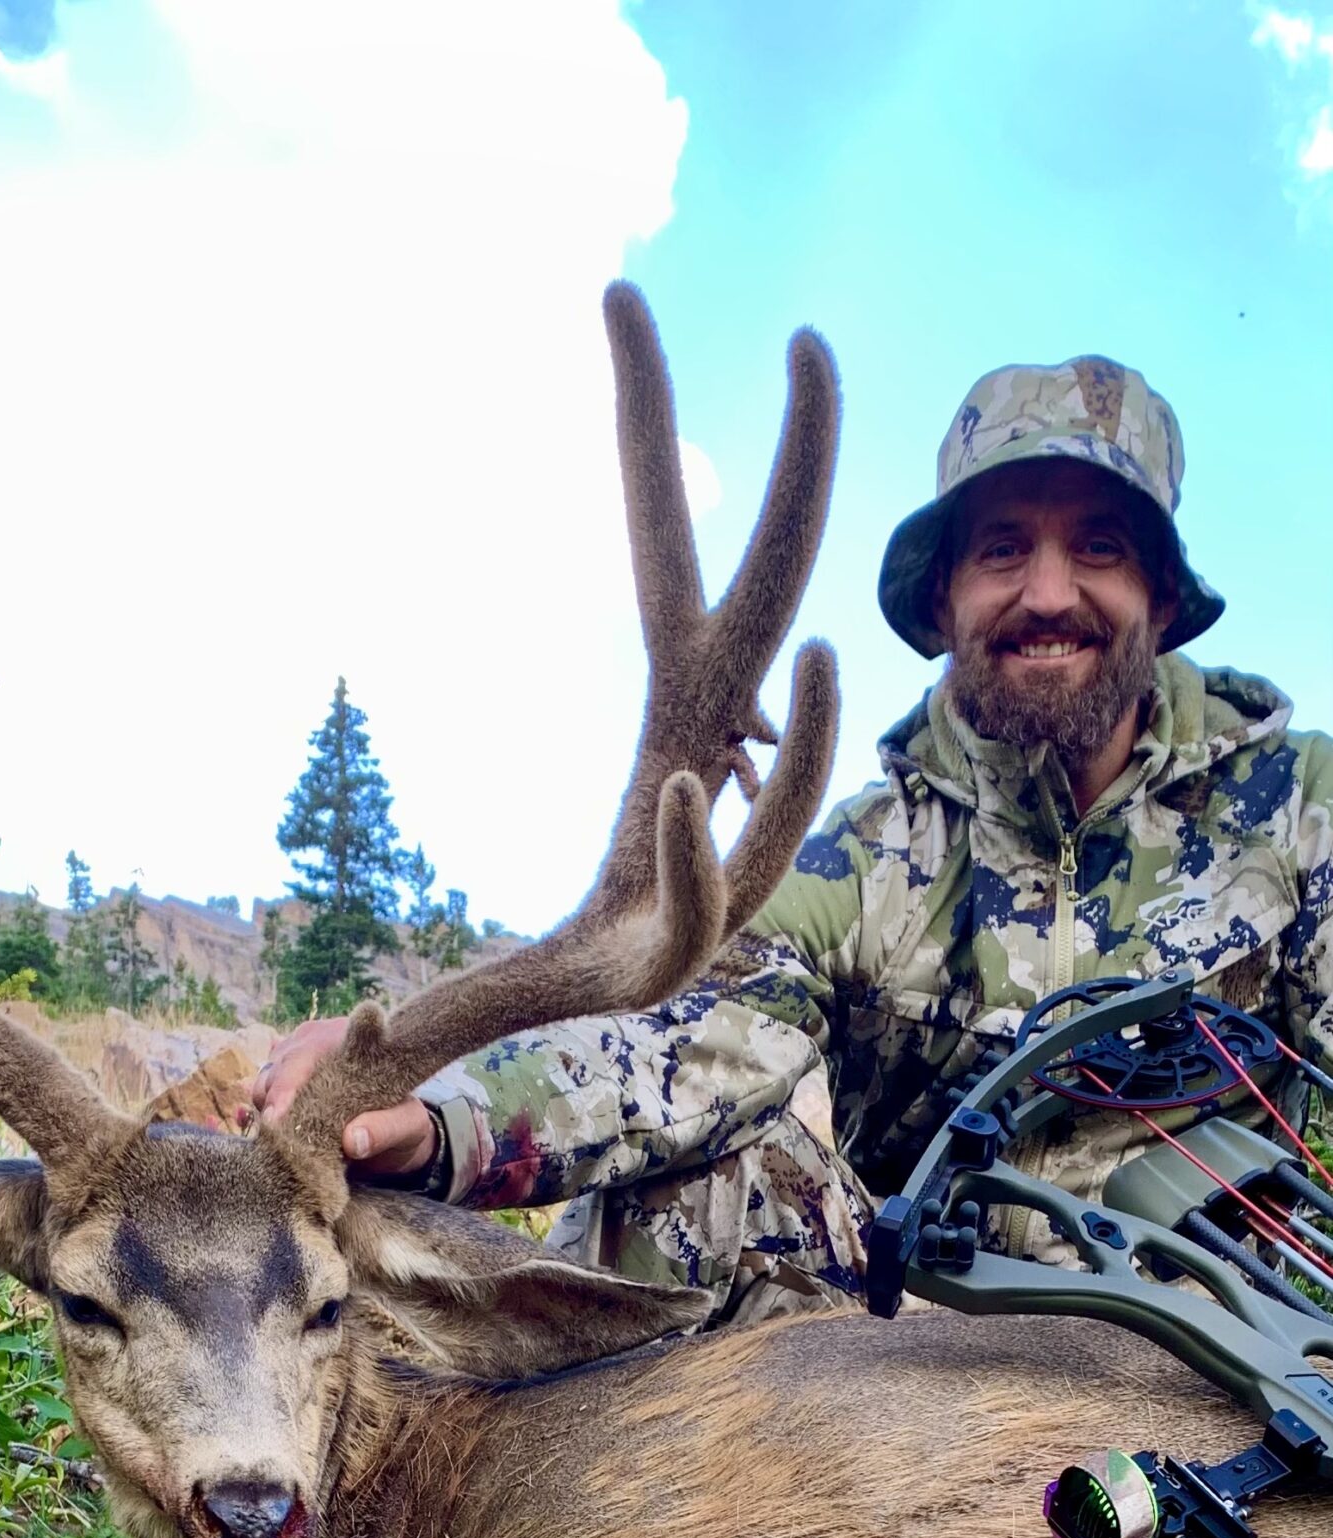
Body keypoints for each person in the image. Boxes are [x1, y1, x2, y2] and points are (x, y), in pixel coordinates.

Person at [251, 356, 1333, 1327]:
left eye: (1097, 546)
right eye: (1003, 549)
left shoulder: (1298, 806)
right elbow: (686, 1046)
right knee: (688, 1179)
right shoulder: (869, 857)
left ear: (1163, 594)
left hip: (1219, 1338)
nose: (1047, 593)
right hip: (910, 1350)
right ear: (945, 600)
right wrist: (439, 1118)